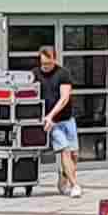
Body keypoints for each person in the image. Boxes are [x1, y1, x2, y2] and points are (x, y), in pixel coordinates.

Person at [36, 43, 82, 192]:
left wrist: (51, 114)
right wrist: (47, 118)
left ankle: (64, 174)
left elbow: (64, 98)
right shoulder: (35, 74)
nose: (45, 67)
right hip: (52, 123)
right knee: (65, 150)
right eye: (43, 63)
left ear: (54, 60)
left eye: (48, 64)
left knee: (74, 154)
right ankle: (75, 185)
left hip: (67, 119)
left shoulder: (63, 74)